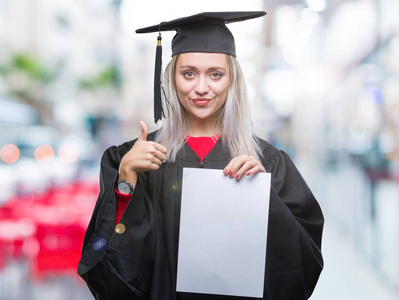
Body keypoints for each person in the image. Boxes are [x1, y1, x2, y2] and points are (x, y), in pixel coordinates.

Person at [78, 11, 324, 300]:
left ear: (232, 80)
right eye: (189, 73)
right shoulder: (137, 159)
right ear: (172, 78)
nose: (202, 88)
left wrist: (263, 198)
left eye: (216, 74)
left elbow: (303, 265)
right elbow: (105, 266)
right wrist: (126, 181)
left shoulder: (268, 163)